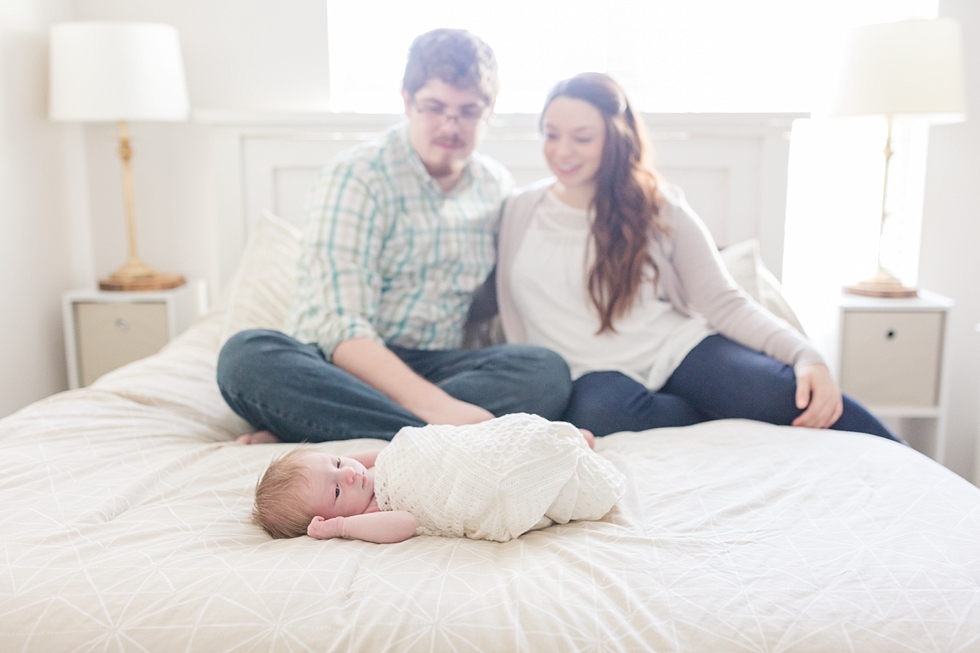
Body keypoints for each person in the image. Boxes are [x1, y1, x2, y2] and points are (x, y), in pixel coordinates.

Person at [472, 72, 897, 441]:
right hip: (589, 374)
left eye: (582, 137)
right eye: (551, 134)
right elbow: (475, 295)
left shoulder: (658, 207)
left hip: (679, 350)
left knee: (789, 394)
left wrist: (806, 355)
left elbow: (724, 301)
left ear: (616, 136)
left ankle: (902, 457)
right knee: (599, 415)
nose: (562, 151)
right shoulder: (517, 211)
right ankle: (717, 414)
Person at [216, 29, 572, 445]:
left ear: (491, 110)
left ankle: (321, 426)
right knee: (245, 358)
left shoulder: (494, 185)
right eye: (435, 107)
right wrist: (442, 410)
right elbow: (341, 327)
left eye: (469, 111)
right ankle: (456, 435)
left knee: (546, 370)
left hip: (434, 364)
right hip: (341, 361)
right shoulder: (358, 175)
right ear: (407, 100)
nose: (450, 125)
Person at [252, 414, 620, 544]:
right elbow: (406, 523)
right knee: (515, 480)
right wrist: (343, 528)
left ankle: (562, 442)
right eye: (335, 490)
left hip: (456, 451)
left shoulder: (365, 472)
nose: (349, 474)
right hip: (471, 487)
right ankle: (564, 458)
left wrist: (347, 465)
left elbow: (389, 449)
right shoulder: (370, 512)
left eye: (336, 462)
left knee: (508, 435)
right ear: (328, 518)